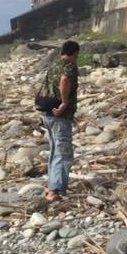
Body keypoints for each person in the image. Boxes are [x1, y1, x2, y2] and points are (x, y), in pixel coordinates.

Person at [39, 40, 80, 203]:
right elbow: (64, 81)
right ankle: (54, 191)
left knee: (55, 149)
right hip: (59, 115)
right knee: (63, 152)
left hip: (48, 114)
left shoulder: (53, 65)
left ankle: (52, 185)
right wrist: (64, 104)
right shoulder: (69, 66)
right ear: (75, 53)